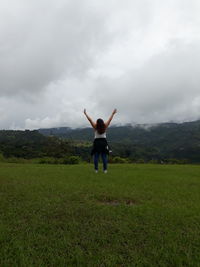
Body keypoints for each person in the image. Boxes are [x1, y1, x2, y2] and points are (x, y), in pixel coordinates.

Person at [84, 108, 117, 173]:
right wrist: (113, 113)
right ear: (102, 122)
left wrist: (85, 114)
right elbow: (110, 120)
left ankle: (96, 170)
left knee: (96, 156)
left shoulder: (95, 127)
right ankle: (105, 170)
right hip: (103, 142)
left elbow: (90, 120)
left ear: (97, 123)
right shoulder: (105, 126)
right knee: (104, 156)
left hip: (96, 142)